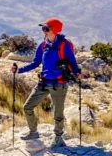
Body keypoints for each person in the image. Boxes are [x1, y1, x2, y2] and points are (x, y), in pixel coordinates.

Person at [10, 18, 80, 146]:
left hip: (59, 84)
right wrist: (19, 70)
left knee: (58, 113)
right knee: (27, 107)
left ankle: (58, 138)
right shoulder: (43, 45)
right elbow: (35, 63)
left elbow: (72, 62)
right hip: (43, 82)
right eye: (43, 28)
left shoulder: (64, 45)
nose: (44, 31)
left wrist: (78, 73)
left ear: (55, 30)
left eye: (46, 29)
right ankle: (33, 132)